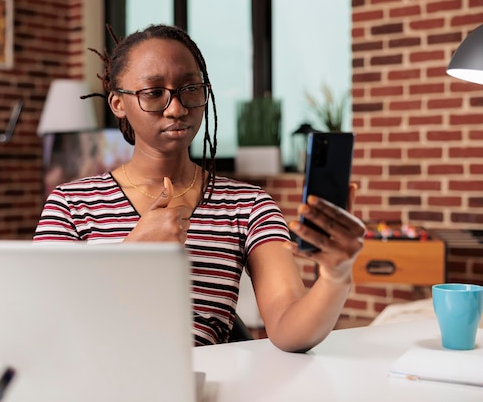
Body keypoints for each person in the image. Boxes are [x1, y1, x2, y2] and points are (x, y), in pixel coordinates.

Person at [34, 24, 366, 351]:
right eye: (153, 93)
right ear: (118, 103)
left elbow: (289, 330)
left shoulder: (248, 206)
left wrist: (335, 277)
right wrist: (130, 254)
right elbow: (43, 325)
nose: (176, 109)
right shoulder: (70, 203)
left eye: (190, 89)